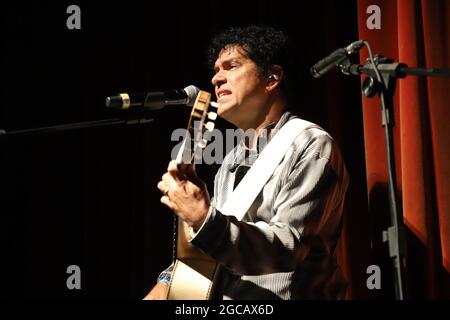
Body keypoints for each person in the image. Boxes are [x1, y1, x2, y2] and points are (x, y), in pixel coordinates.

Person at [144, 25, 349, 300]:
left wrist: (204, 219)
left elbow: (288, 247)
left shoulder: (310, 145)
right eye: (216, 70)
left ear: (272, 78)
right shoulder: (230, 162)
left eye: (231, 66)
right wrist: (167, 283)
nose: (217, 79)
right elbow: (213, 252)